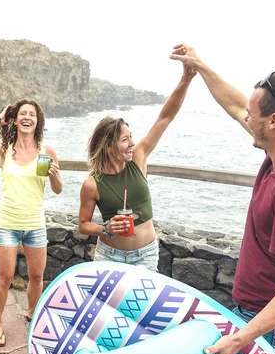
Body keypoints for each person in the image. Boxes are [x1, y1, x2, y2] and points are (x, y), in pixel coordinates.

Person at [170, 44, 275, 354]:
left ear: (274, 121)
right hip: (253, 317)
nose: (245, 117)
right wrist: (200, 66)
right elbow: (235, 104)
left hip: (273, 329)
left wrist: (240, 338)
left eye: (254, 115)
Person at [78, 63, 196, 271]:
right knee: (109, 304)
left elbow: (165, 117)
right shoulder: (92, 184)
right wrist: (106, 227)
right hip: (109, 255)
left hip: (146, 256)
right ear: (108, 146)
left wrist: (185, 81)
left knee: (143, 305)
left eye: (131, 137)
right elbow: (83, 225)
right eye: (125, 139)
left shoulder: (138, 158)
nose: (132, 143)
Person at [0, 100, 63, 347]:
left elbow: (57, 189)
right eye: (23, 113)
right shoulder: (4, 149)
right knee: (5, 277)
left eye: (32, 114)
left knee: (36, 275)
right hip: (8, 222)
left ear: (37, 121)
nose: (27, 117)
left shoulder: (47, 151)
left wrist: (54, 176)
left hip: (35, 223)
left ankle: (33, 313)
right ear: (15, 119)